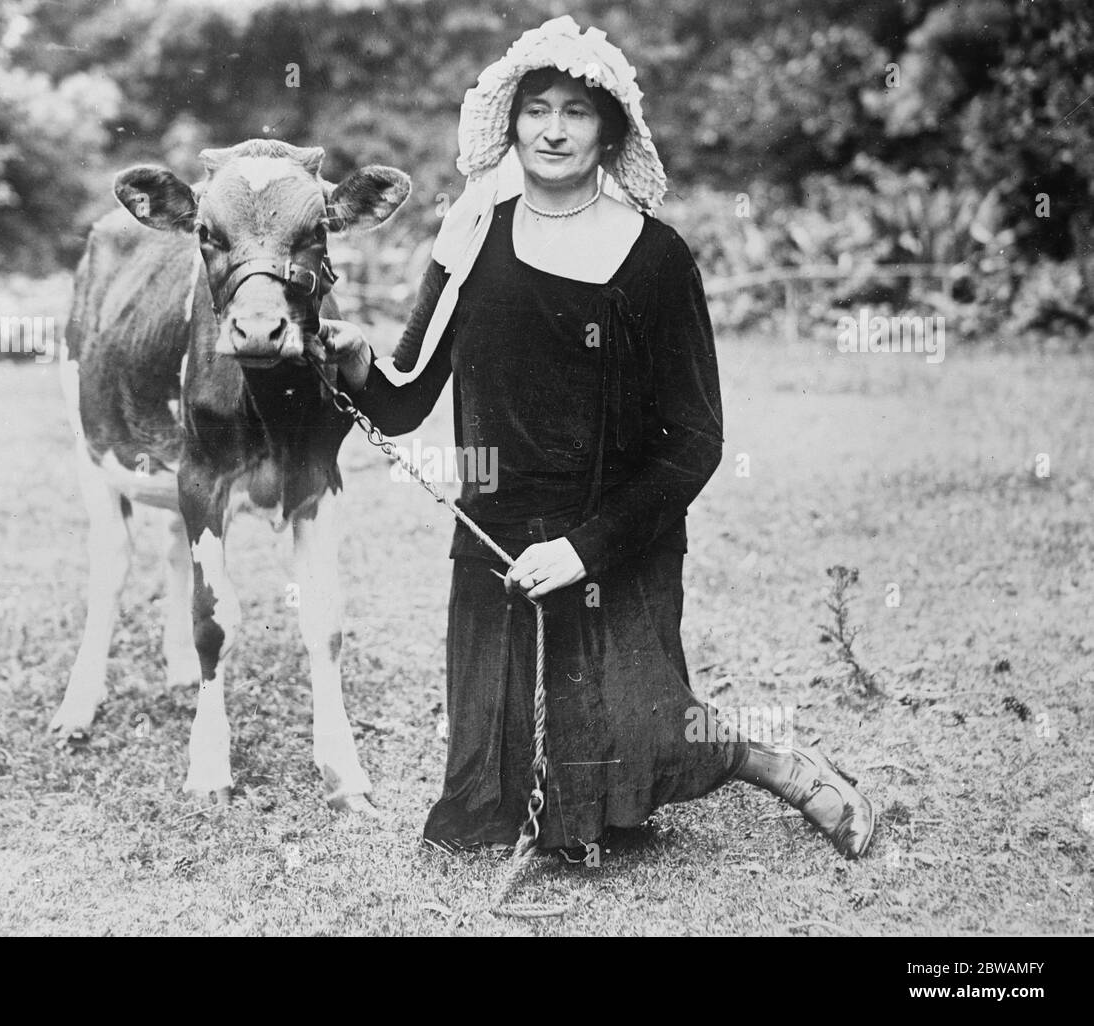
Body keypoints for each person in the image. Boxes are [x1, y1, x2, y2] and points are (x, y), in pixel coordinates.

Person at [322, 16, 875, 858]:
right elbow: (400, 403)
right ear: (509, 123)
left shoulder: (656, 258)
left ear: (610, 130)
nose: (551, 129)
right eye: (536, 108)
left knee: (648, 751)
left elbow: (695, 440)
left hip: (614, 546)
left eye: (576, 113)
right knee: (487, 816)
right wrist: (356, 361)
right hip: (497, 551)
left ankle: (763, 755)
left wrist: (585, 550)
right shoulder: (471, 233)